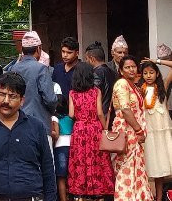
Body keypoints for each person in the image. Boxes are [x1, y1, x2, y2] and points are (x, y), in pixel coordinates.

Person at [0, 71, 57, 201]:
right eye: (2, 94)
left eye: (12, 96)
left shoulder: (37, 127)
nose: (6, 101)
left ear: (22, 100)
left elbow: (48, 170)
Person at [66, 60, 114, 198]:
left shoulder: (72, 93)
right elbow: (100, 112)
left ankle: (81, 191)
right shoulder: (95, 91)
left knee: (80, 159)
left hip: (79, 129)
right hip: (94, 128)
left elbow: (71, 114)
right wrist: (105, 128)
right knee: (98, 160)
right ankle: (99, 191)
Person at [111, 54, 154, 201]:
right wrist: (139, 130)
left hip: (133, 134)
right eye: (127, 67)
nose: (131, 69)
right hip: (127, 132)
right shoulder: (121, 84)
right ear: (121, 71)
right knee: (127, 169)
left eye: (133, 66)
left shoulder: (133, 85)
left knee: (136, 168)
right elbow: (125, 109)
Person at [5, 30, 57, 138]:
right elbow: (50, 99)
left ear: (23, 50)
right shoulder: (41, 69)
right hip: (39, 124)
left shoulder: (13, 69)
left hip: (16, 124)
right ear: (38, 49)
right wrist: (50, 112)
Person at [139, 59, 172, 201]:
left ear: (157, 74)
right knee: (149, 165)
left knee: (160, 166)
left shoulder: (163, 86)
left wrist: (155, 60)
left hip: (162, 133)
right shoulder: (140, 89)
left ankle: (159, 197)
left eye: (151, 72)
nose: (148, 75)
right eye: (145, 73)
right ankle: (147, 195)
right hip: (148, 133)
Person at [85, 40, 115, 118]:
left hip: (100, 117)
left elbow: (93, 98)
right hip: (112, 115)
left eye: (86, 59)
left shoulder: (96, 74)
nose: (86, 61)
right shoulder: (113, 72)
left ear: (92, 59)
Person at [52, 91, 72, 201]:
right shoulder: (70, 118)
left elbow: (56, 134)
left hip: (60, 147)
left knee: (61, 177)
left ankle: (63, 199)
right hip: (72, 146)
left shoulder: (54, 118)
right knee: (71, 175)